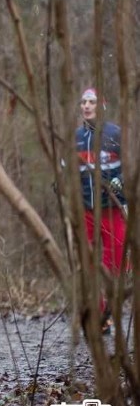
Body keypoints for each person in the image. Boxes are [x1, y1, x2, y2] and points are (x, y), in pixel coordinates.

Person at [76, 87, 127, 335]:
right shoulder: (76, 137)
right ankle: (99, 317)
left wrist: (120, 185)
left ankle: (111, 312)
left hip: (112, 211)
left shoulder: (115, 134)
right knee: (91, 265)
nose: (86, 106)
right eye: (84, 102)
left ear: (102, 105)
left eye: (92, 102)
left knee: (114, 265)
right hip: (87, 212)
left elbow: (130, 167)